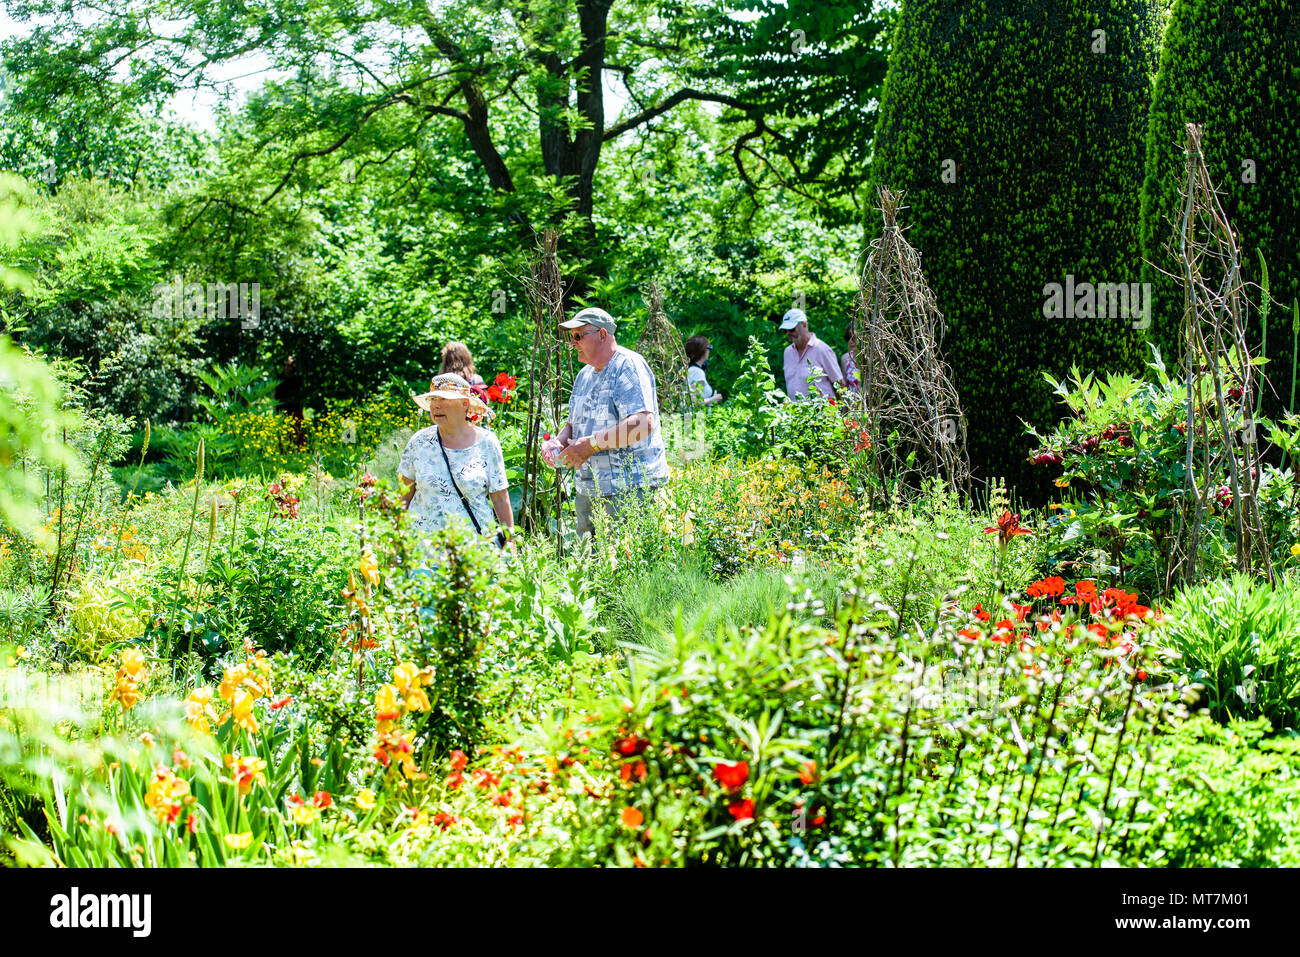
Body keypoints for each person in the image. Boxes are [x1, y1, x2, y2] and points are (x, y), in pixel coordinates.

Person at [541, 306, 669, 537]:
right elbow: (574, 424)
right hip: (589, 491)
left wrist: (590, 445)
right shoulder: (585, 375)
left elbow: (642, 423)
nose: (573, 343)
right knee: (588, 568)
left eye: (578, 336)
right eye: (571, 338)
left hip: (630, 491)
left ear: (602, 335)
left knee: (627, 569)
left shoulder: (628, 365)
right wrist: (558, 443)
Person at [399, 373, 513, 541]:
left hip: (475, 551)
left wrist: (510, 542)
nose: (436, 406)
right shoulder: (419, 442)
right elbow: (403, 496)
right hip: (423, 551)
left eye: (444, 399)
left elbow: (500, 498)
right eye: (433, 400)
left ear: (464, 404)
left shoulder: (487, 443)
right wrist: (395, 541)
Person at [779, 307, 845, 401]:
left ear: (804, 324)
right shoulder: (787, 352)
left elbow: (839, 384)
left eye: (792, 329)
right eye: (785, 330)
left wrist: (841, 412)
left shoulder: (822, 349)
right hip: (795, 413)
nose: (788, 333)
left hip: (822, 413)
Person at [685, 335, 724, 407]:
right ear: (702, 350)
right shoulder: (697, 372)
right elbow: (693, 402)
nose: (709, 351)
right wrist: (713, 399)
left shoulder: (687, 369)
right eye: (709, 348)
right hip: (697, 418)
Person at [841, 327, 862, 395]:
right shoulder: (845, 358)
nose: (850, 341)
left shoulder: (870, 358)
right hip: (852, 403)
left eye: (853, 338)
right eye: (848, 338)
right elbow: (845, 385)